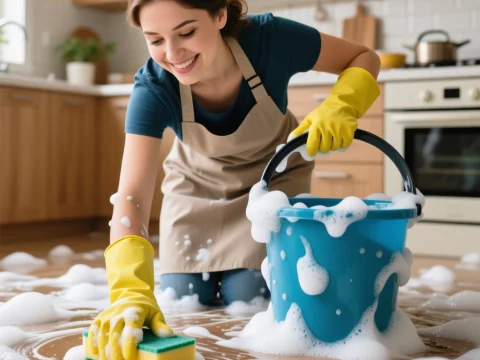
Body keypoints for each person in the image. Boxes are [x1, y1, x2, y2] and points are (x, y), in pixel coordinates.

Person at [86, 0, 381, 358]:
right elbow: (130, 196)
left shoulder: (270, 39)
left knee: (248, 294)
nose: (173, 53)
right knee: (184, 294)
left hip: (273, 181)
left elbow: (364, 56)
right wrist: (128, 290)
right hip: (195, 184)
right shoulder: (154, 87)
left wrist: (342, 106)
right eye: (155, 40)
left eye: (187, 32)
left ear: (220, 15)